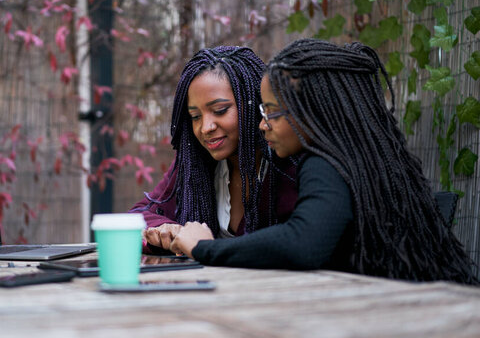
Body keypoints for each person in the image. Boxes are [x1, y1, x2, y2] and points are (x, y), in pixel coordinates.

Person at [170, 38, 478, 285]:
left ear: (313, 111)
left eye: (273, 112)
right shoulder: (363, 156)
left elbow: (303, 242)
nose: (263, 125)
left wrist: (203, 247)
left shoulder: (325, 164)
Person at [129, 46, 298, 253]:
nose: (206, 127)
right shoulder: (196, 164)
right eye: (195, 116)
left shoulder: (288, 165)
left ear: (254, 104)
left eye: (220, 110)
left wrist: (205, 247)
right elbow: (137, 217)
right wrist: (166, 230)